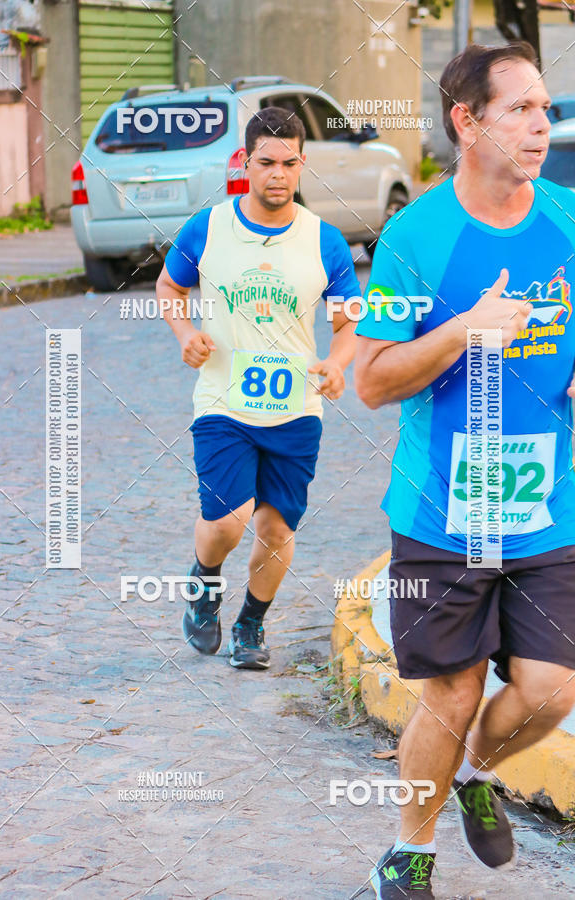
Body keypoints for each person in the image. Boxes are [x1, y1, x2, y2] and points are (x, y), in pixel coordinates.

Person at [353, 42, 575, 899]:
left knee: (552, 693)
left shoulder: (566, 220)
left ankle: (475, 771)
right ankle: (407, 853)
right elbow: (371, 380)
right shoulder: (417, 237)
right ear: (466, 121)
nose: (540, 125)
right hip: (444, 514)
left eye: (545, 108)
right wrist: (461, 333)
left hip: (546, 509)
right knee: (447, 696)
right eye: (520, 108)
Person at [156, 106, 359, 670]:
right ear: (246, 162)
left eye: (289, 163)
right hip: (222, 400)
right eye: (266, 162)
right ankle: (204, 581)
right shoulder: (210, 226)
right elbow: (170, 286)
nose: (278, 174)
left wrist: (338, 363)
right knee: (227, 518)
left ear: (302, 164)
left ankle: (250, 625)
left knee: (274, 527)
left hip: (296, 409)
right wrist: (184, 332)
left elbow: (348, 323)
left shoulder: (327, 241)